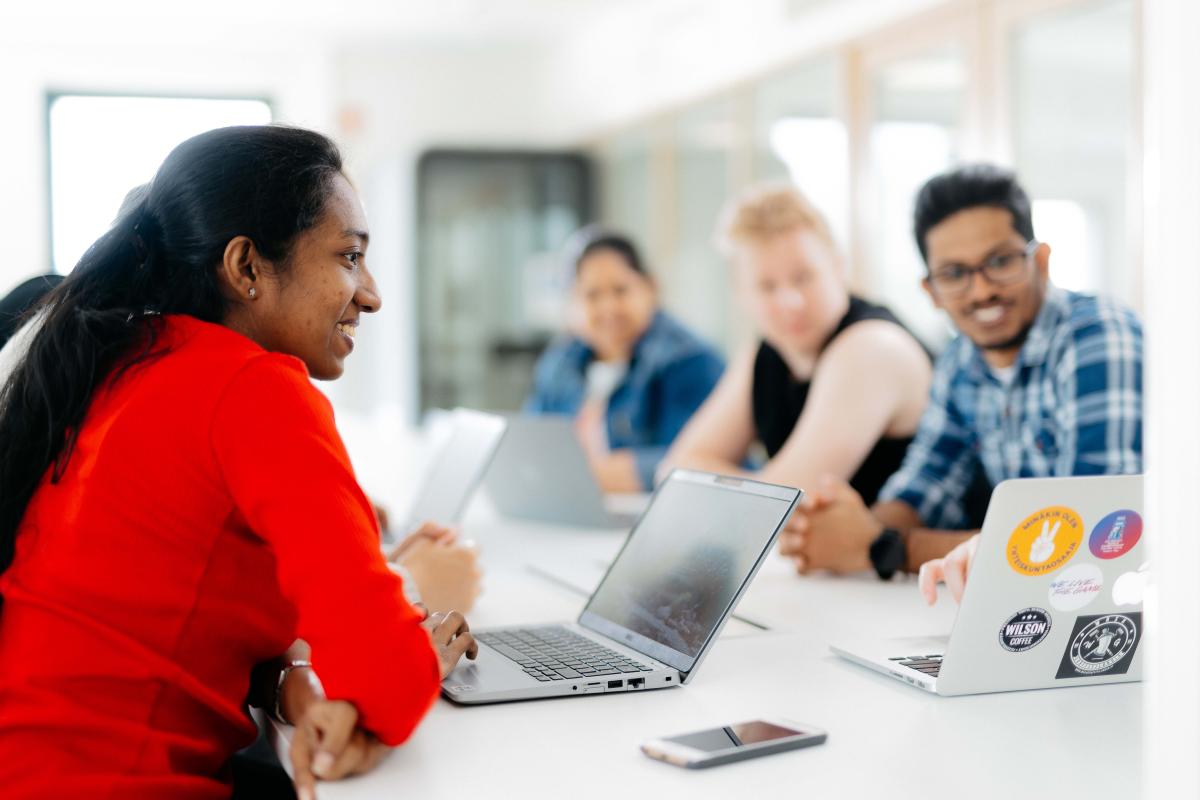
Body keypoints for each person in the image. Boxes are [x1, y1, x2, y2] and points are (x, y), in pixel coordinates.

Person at [0, 125, 478, 800]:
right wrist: (424, 626)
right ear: (247, 267)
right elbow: (387, 679)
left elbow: (168, 612)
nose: (370, 294)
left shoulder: (127, 361)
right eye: (348, 257)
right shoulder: (253, 388)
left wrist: (299, 688)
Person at [782, 164, 1143, 585]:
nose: (981, 290)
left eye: (1000, 261)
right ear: (931, 292)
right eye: (954, 274)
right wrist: (838, 529)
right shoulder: (960, 363)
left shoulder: (1098, 337)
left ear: (1041, 262)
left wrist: (881, 547)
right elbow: (924, 488)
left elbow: (1096, 541)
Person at [659, 184, 932, 505]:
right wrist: (758, 485)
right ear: (740, 294)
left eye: (804, 277)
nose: (790, 301)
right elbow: (672, 474)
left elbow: (782, 503)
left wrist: (721, 482)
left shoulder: (872, 347)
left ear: (837, 266)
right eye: (766, 286)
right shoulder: (768, 351)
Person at [525, 229, 723, 492]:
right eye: (592, 295)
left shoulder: (689, 360)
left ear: (650, 287)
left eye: (620, 290)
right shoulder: (560, 363)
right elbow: (529, 446)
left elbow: (695, 464)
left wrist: (580, 475)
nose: (608, 307)